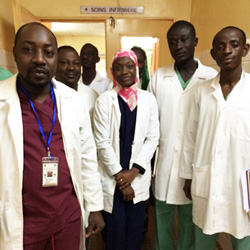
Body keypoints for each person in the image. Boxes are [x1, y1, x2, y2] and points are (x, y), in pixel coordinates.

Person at [0, 22, 104, 250]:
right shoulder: (2, 100)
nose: (39, 59)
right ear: (14, 52)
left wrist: (95, 206)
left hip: (67, 217)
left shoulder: (73, 100)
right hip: (22, 221)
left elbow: (87, 156)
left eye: (48, 52)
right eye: (29, 50)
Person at [148, 20, 217, 250]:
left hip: (196, 164)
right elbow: (149, 123)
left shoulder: (210, 76)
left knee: (190, 221)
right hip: (164, 163)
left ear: (195, 42)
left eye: (183, 40)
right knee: (162, 221)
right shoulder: (159, 76)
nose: (178, 45)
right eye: (172, 41)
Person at [181, 26, 250, 250]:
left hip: (243, 183)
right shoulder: (202, 91)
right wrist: (188, 176)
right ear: (213, 54)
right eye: (220, 47)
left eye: (234, 45)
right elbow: (190, 137)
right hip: (206, 178)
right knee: (203, 237)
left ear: (245, 50)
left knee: (244, 238)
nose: (227, 51)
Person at [93, 49, 159, 250]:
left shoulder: (148, 99)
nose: (125, 71)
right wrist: (122, 179)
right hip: (114, 180)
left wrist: (134, 172)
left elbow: (153, 138)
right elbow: (102, 142)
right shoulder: (105, 100)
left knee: (135, 232)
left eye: (129, 66)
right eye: (118, 67)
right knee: (114, 233)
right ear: (113, 71)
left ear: (137, 68)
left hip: (137, 179)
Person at [55, 45, 98, 118]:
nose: (71, 68)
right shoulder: (44, 94)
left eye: (76, 63)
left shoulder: (92, 95)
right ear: (54, 64)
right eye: (65, 62)